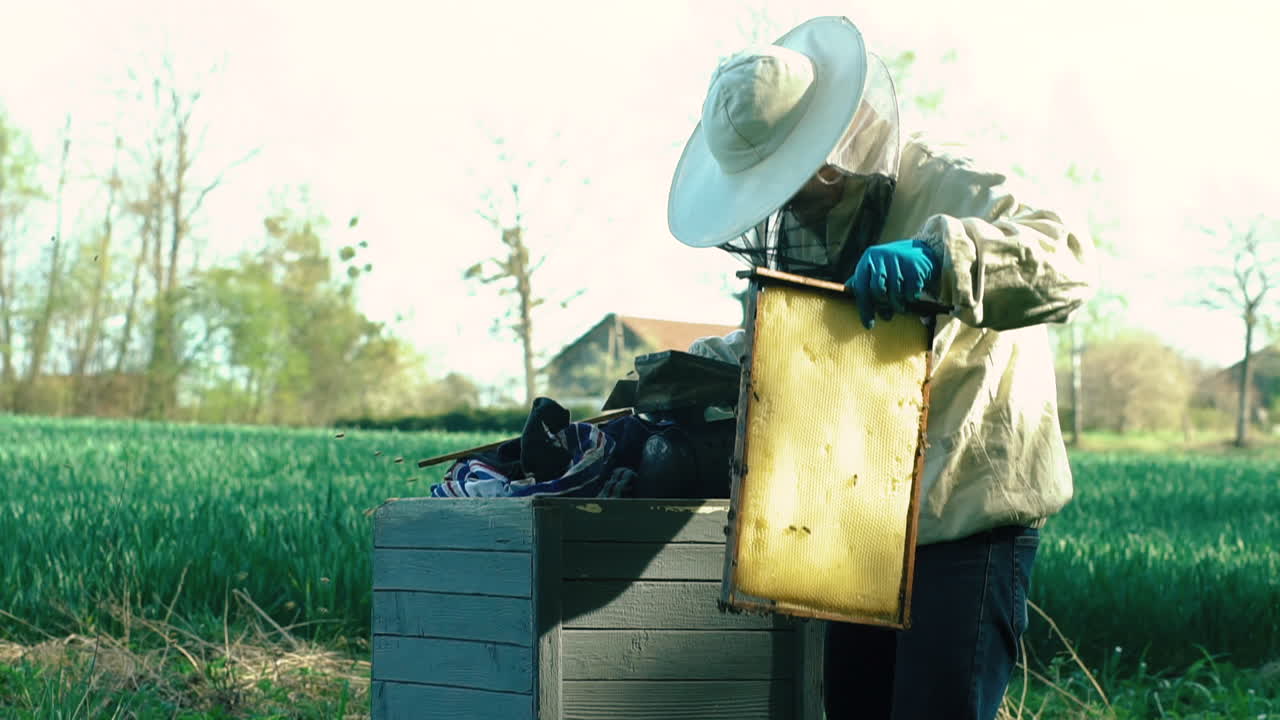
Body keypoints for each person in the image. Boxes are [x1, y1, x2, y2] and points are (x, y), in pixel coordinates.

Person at [667, 16, 1096, 720]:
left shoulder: (951, 180)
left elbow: (1069, 263)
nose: (790, 206)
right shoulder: (812, 216)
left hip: (965, 515)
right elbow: (777, 339)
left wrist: (946, 257)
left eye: (794, 185)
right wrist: (676, 376)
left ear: (829, 152)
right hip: (855, 522)